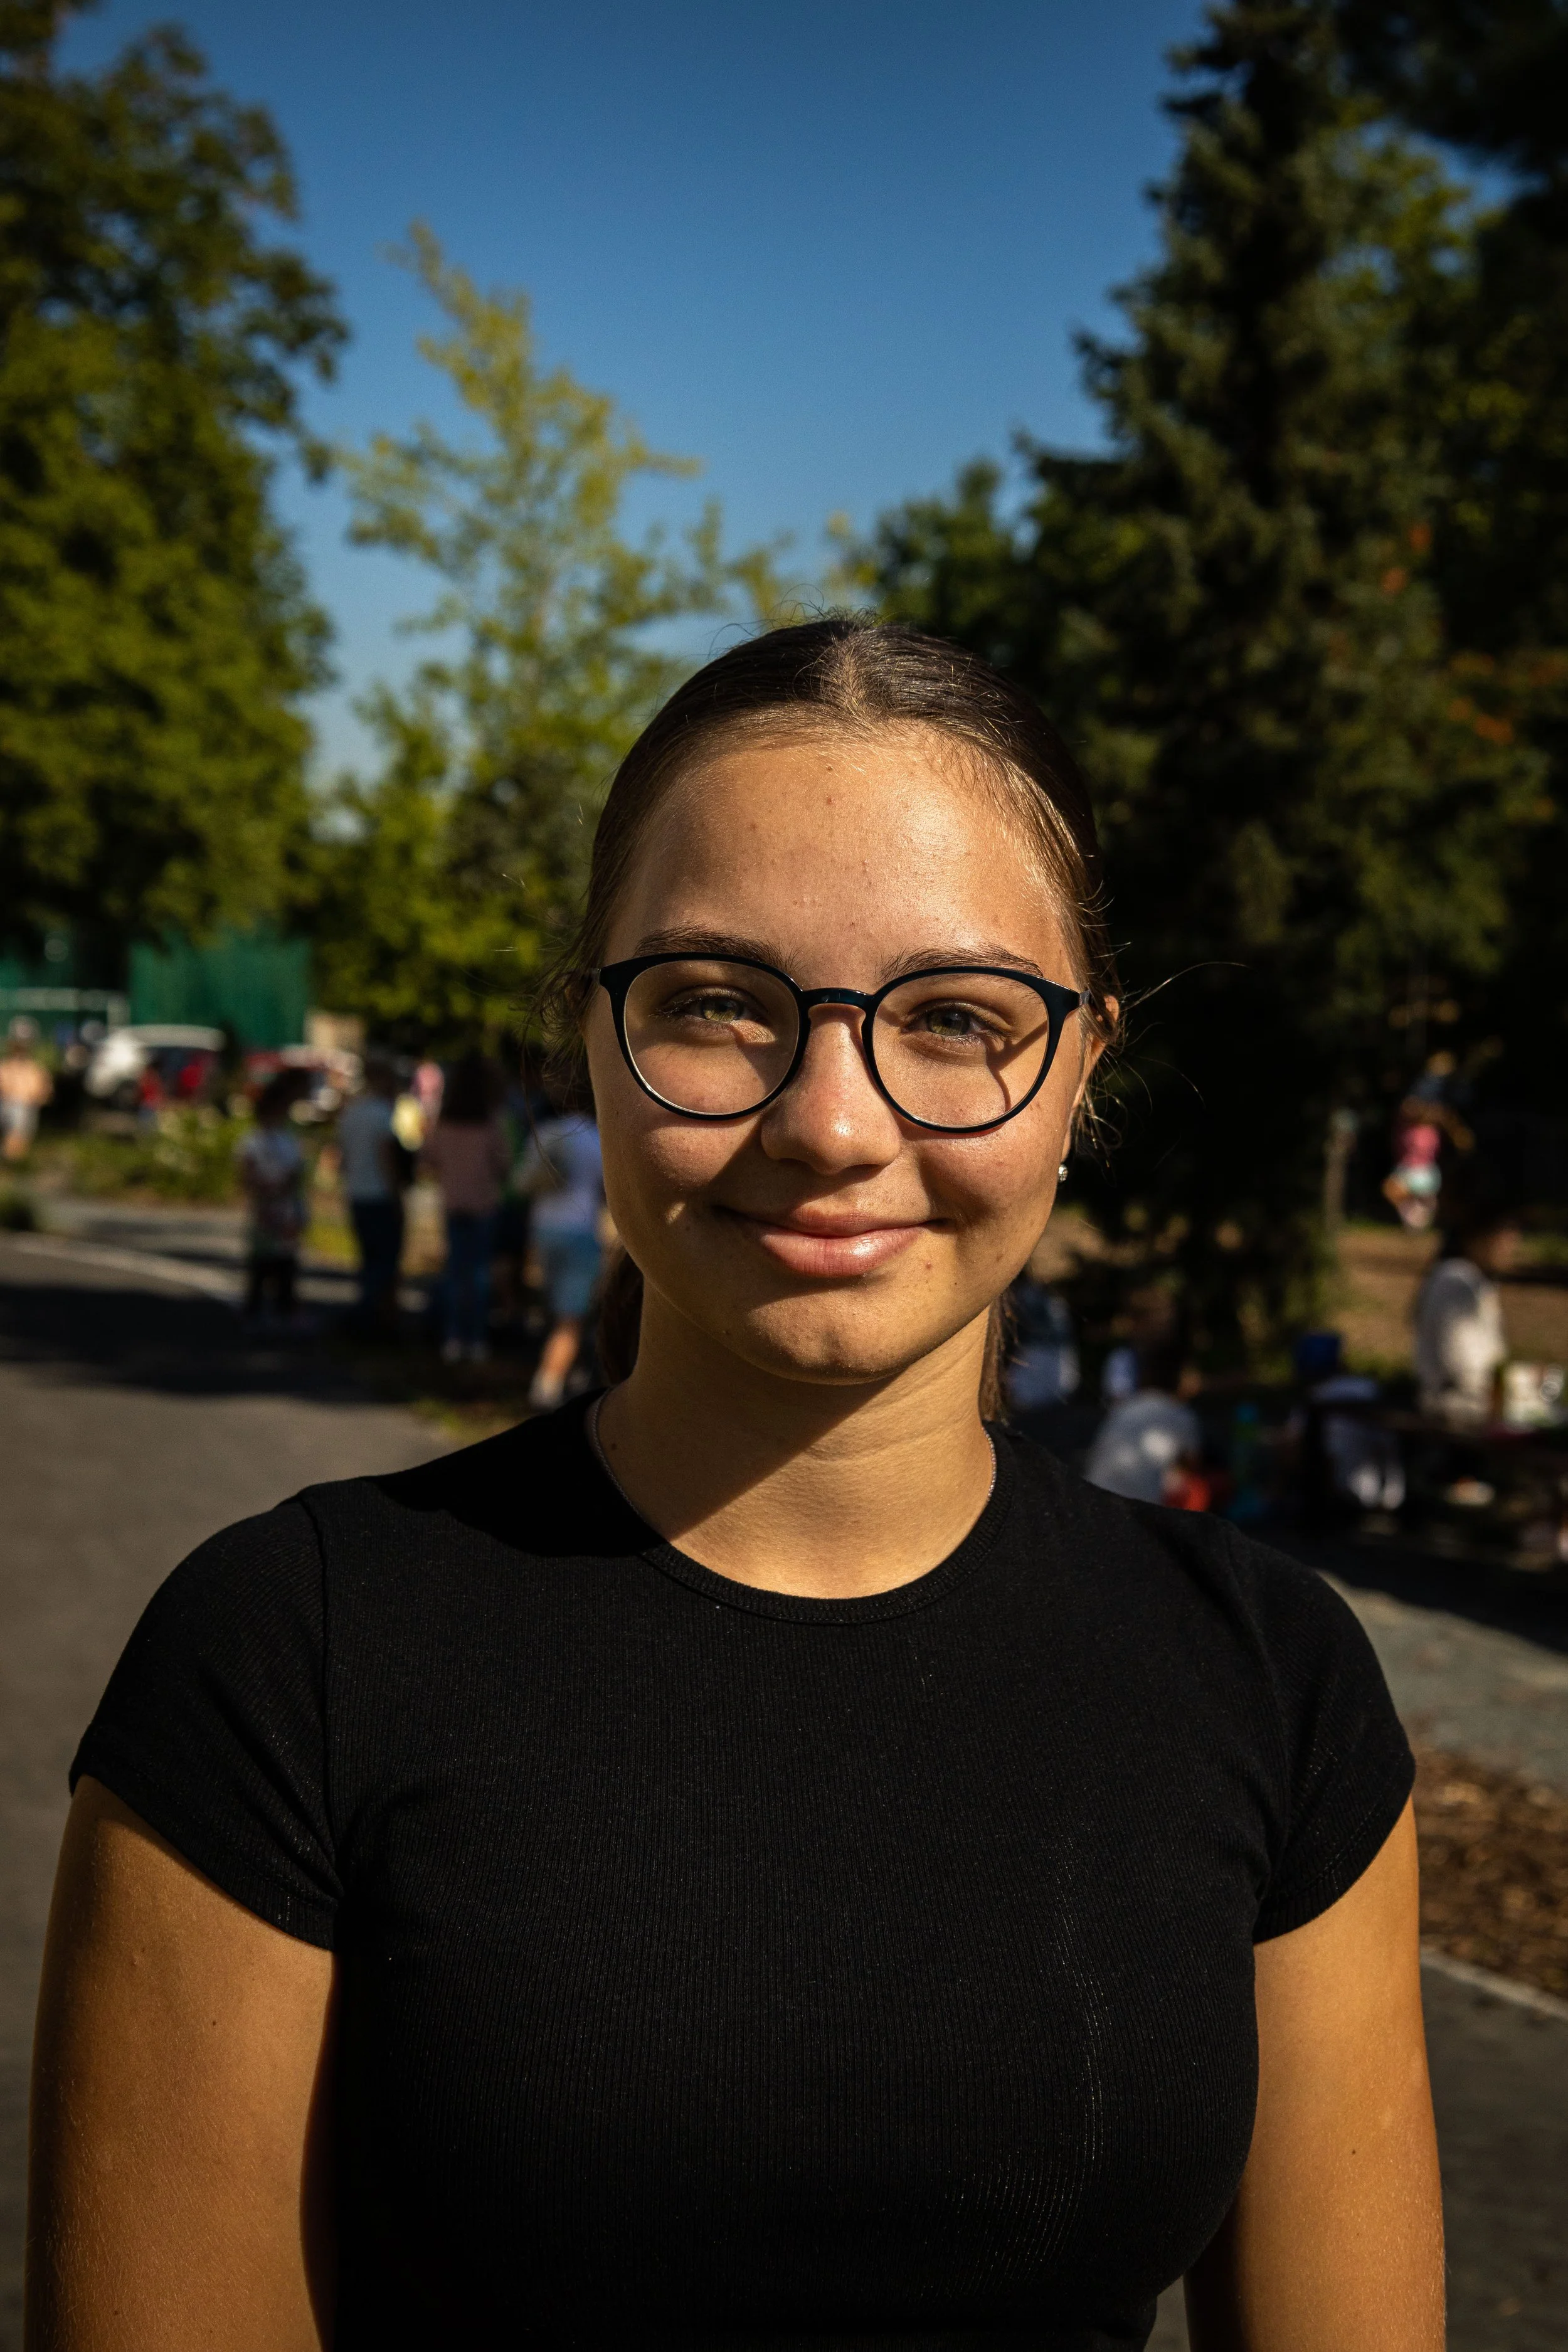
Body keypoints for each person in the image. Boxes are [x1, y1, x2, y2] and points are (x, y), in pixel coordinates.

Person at [30, 622, 1441, 2351]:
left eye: (954, 1018)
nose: (831, 1122)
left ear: (1081, 1067)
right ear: (588, 1037)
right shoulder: (284, 1660)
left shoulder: (1269, 1679)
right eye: (714, 1002)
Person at [420, 1051, 510, 1364]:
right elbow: (504, 1163)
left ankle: (454, 1337)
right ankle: (476, 1339)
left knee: (457, 1272)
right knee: (479, 1275)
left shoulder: (445, 1121)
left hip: (453, 1202)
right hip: (484, 1203)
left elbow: (428, 1158)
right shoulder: (491, 1120)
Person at [519, 1099, 604, 1409]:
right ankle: (547, 1387)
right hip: (580, 1230)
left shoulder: (546, 1132)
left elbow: (524, 1181)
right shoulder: (596, 1137)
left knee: (551, 1308)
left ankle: (552, 1371)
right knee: (572, 1317)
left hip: (544, 1228)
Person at [1414, 1174, 1520, 1424]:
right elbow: (1467, 1370)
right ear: (1477, 1236)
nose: (1513, 1244)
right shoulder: (1456, 1281)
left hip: (1471, 1406)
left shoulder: (1473, 1281)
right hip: (1456, 1413)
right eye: (1505, 1233)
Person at [1083, 1335, 1207, 1507]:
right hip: (1138, 1507)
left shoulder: (1128, 1405)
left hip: (1092, 1493)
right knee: (1198, 1488)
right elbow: (1191, 1467)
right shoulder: (1182, 1415)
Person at [335, 1054, 406, 1334]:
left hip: (356, 1193)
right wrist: (397, 1196)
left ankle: (371, 1317)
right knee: (385, 1261)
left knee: (368, 1259)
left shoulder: (351, 1113)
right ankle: (371, 1319)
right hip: (379, 1195)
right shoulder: (381, 1114)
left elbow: (344, 1159)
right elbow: (386, 1160)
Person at [236, 1071, 309, 1326]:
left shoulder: (287, 1138)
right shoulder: (254, 1140)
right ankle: (255, 1306)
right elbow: (247, 1172)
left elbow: (296, 1171)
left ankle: (285, 1305)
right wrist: (264, 1191)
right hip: (265, 1204)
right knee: (261, 1257)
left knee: (286, 1258)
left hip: (284, 1203)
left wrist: (284, 1191)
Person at [1, 1017, 53, 1160]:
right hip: (11, 1107)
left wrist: (35, 1096)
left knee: (21, 1117)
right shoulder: (6, 1067)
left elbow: (44, 1094)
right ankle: (12, 1157)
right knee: (17, 1113)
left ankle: (14, 1158)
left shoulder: (36, 1070)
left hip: (25, 1108)